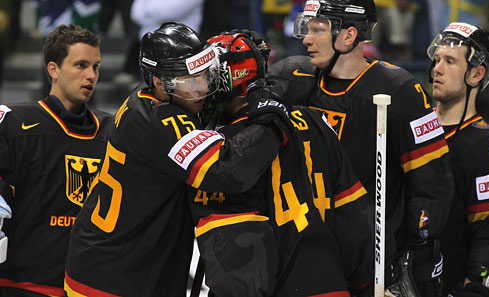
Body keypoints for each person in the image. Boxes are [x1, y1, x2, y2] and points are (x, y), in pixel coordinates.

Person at [64, 22, 296, 297]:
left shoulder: (146, 98)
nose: (202, 88)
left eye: (205, 75)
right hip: (114, 277)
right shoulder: (161, 122)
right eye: (190, 81)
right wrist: (270, 119)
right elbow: (229, 171)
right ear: (160, 82)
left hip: (117, 261)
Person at [267, 0, 455, 296]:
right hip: (305, 253)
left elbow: (432, 181)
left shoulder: (399, 90)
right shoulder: (291, 78)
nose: (306, 39)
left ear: (348, 36)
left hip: (371, 260)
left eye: (317, 29)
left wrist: (415, 249)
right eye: (307, 28)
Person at [190, 31, 372, 297]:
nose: (203, 87)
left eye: (209, 76)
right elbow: (355, 219)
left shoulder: (224, 149)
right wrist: (365, 286)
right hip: (331, 286)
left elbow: (236, 256)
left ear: (229, 79)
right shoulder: (314, 121)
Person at [0, 24, 113, 296]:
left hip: (87, 286)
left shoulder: (113, 131)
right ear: (53, 69)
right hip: (23, 285)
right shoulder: (15, 124)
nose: (91, 75)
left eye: (96, 67)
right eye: (81, 65)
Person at [427, 21, 489, 297]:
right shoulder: (411, 131)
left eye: (450, 61)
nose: (436, 69)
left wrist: (472, 289)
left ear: (477, 74)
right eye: (437, 59)